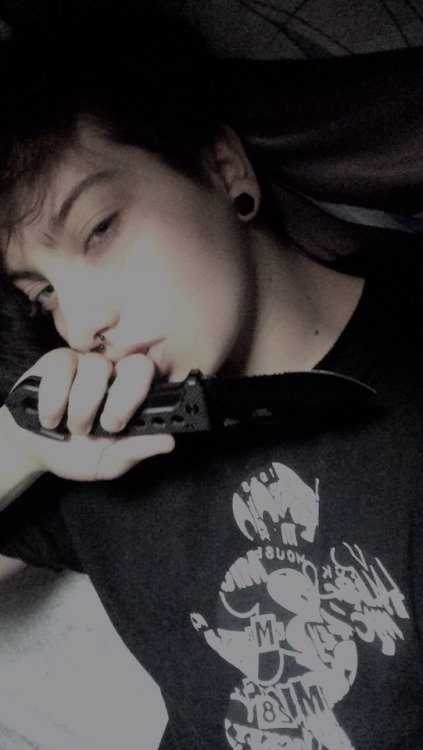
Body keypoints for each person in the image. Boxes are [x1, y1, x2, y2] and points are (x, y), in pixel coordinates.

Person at [0, 5, 422, 749]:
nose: (81, 322)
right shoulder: (98, 451)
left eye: (99, 229)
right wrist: (22, 446)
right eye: (44, 295)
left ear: (224, 170)